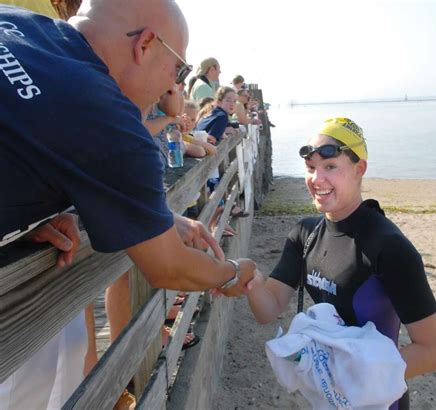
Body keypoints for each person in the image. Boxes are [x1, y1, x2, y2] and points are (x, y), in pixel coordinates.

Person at [0, 1, 256, 408]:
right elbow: (167, 265)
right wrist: (230, 274)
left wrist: (27, 217)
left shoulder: (16, 21)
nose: (172, 87)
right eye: (177, 71)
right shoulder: (106, 115)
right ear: (146, 44)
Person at [246, 117, 436, 409]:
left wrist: (350, 379)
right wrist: (250, 279)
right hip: (327, 395)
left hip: (377, 400)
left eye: (330, 167)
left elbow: (435, 352)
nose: (317, 179)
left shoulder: (389, 247)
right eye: (311, 168)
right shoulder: (304, 233)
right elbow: (269, 309)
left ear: (359, 169)